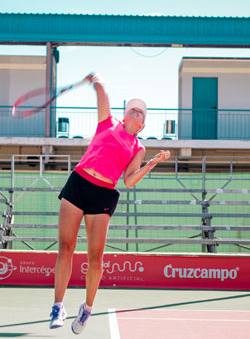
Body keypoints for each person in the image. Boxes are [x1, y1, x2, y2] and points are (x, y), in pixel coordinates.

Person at [49, 73, 170, 334]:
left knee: (95, 258)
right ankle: (58, 306)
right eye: (133, 109)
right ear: (125, 115)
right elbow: (102, 94)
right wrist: (97, 81)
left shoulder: (138, 147)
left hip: (103, 193)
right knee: (66, 246)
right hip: (79, 182)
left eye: (141, 112)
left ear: (142, 123)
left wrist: (150, 164)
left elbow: (128, 180)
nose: (136, 112)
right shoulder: (107, 123)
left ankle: (87, 308)